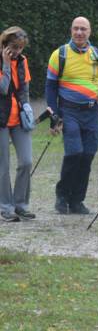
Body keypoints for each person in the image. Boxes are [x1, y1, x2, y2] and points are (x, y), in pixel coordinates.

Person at [46, 16, 98, 215]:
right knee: (74, 152)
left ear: (89, 32)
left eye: (83, 29)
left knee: (87, 155)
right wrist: (54, 113)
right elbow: (50, 86)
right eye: (76, 28)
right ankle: (62, 195)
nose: (79, 32)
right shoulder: (59, 54)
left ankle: (77, 200)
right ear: (71, 30)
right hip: (68, 111)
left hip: (91, 112)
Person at [0, 26, 34, 222]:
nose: (17, 52)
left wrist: (27, 111)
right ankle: (5, 207)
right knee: (3, 165)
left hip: (18, 118)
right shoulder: (3, 60)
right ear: (4, 45)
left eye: (21, 48)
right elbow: (4, 89)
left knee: (26, 160)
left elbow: (24, 90)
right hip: (1, 119)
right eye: (14, 47)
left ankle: (20, 205)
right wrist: (5, 64)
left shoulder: (22, 61)